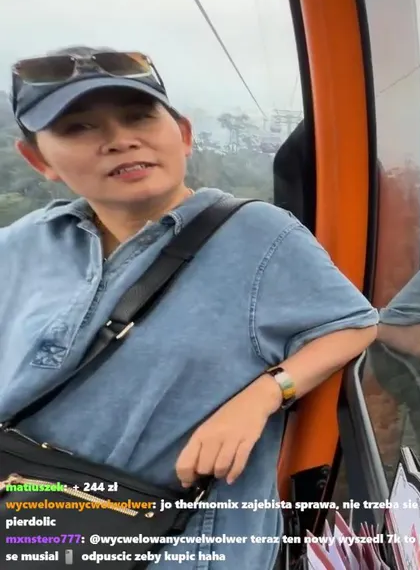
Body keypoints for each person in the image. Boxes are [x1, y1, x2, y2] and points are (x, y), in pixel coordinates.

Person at [0, 46, 379, 570]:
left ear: (181, 133)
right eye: (78, 128)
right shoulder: (23, 244)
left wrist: (265, 394)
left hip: (178, 543)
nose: (119, 140)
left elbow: (353, 325)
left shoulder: (257, 236)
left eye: (139, 117)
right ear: (38, 159)